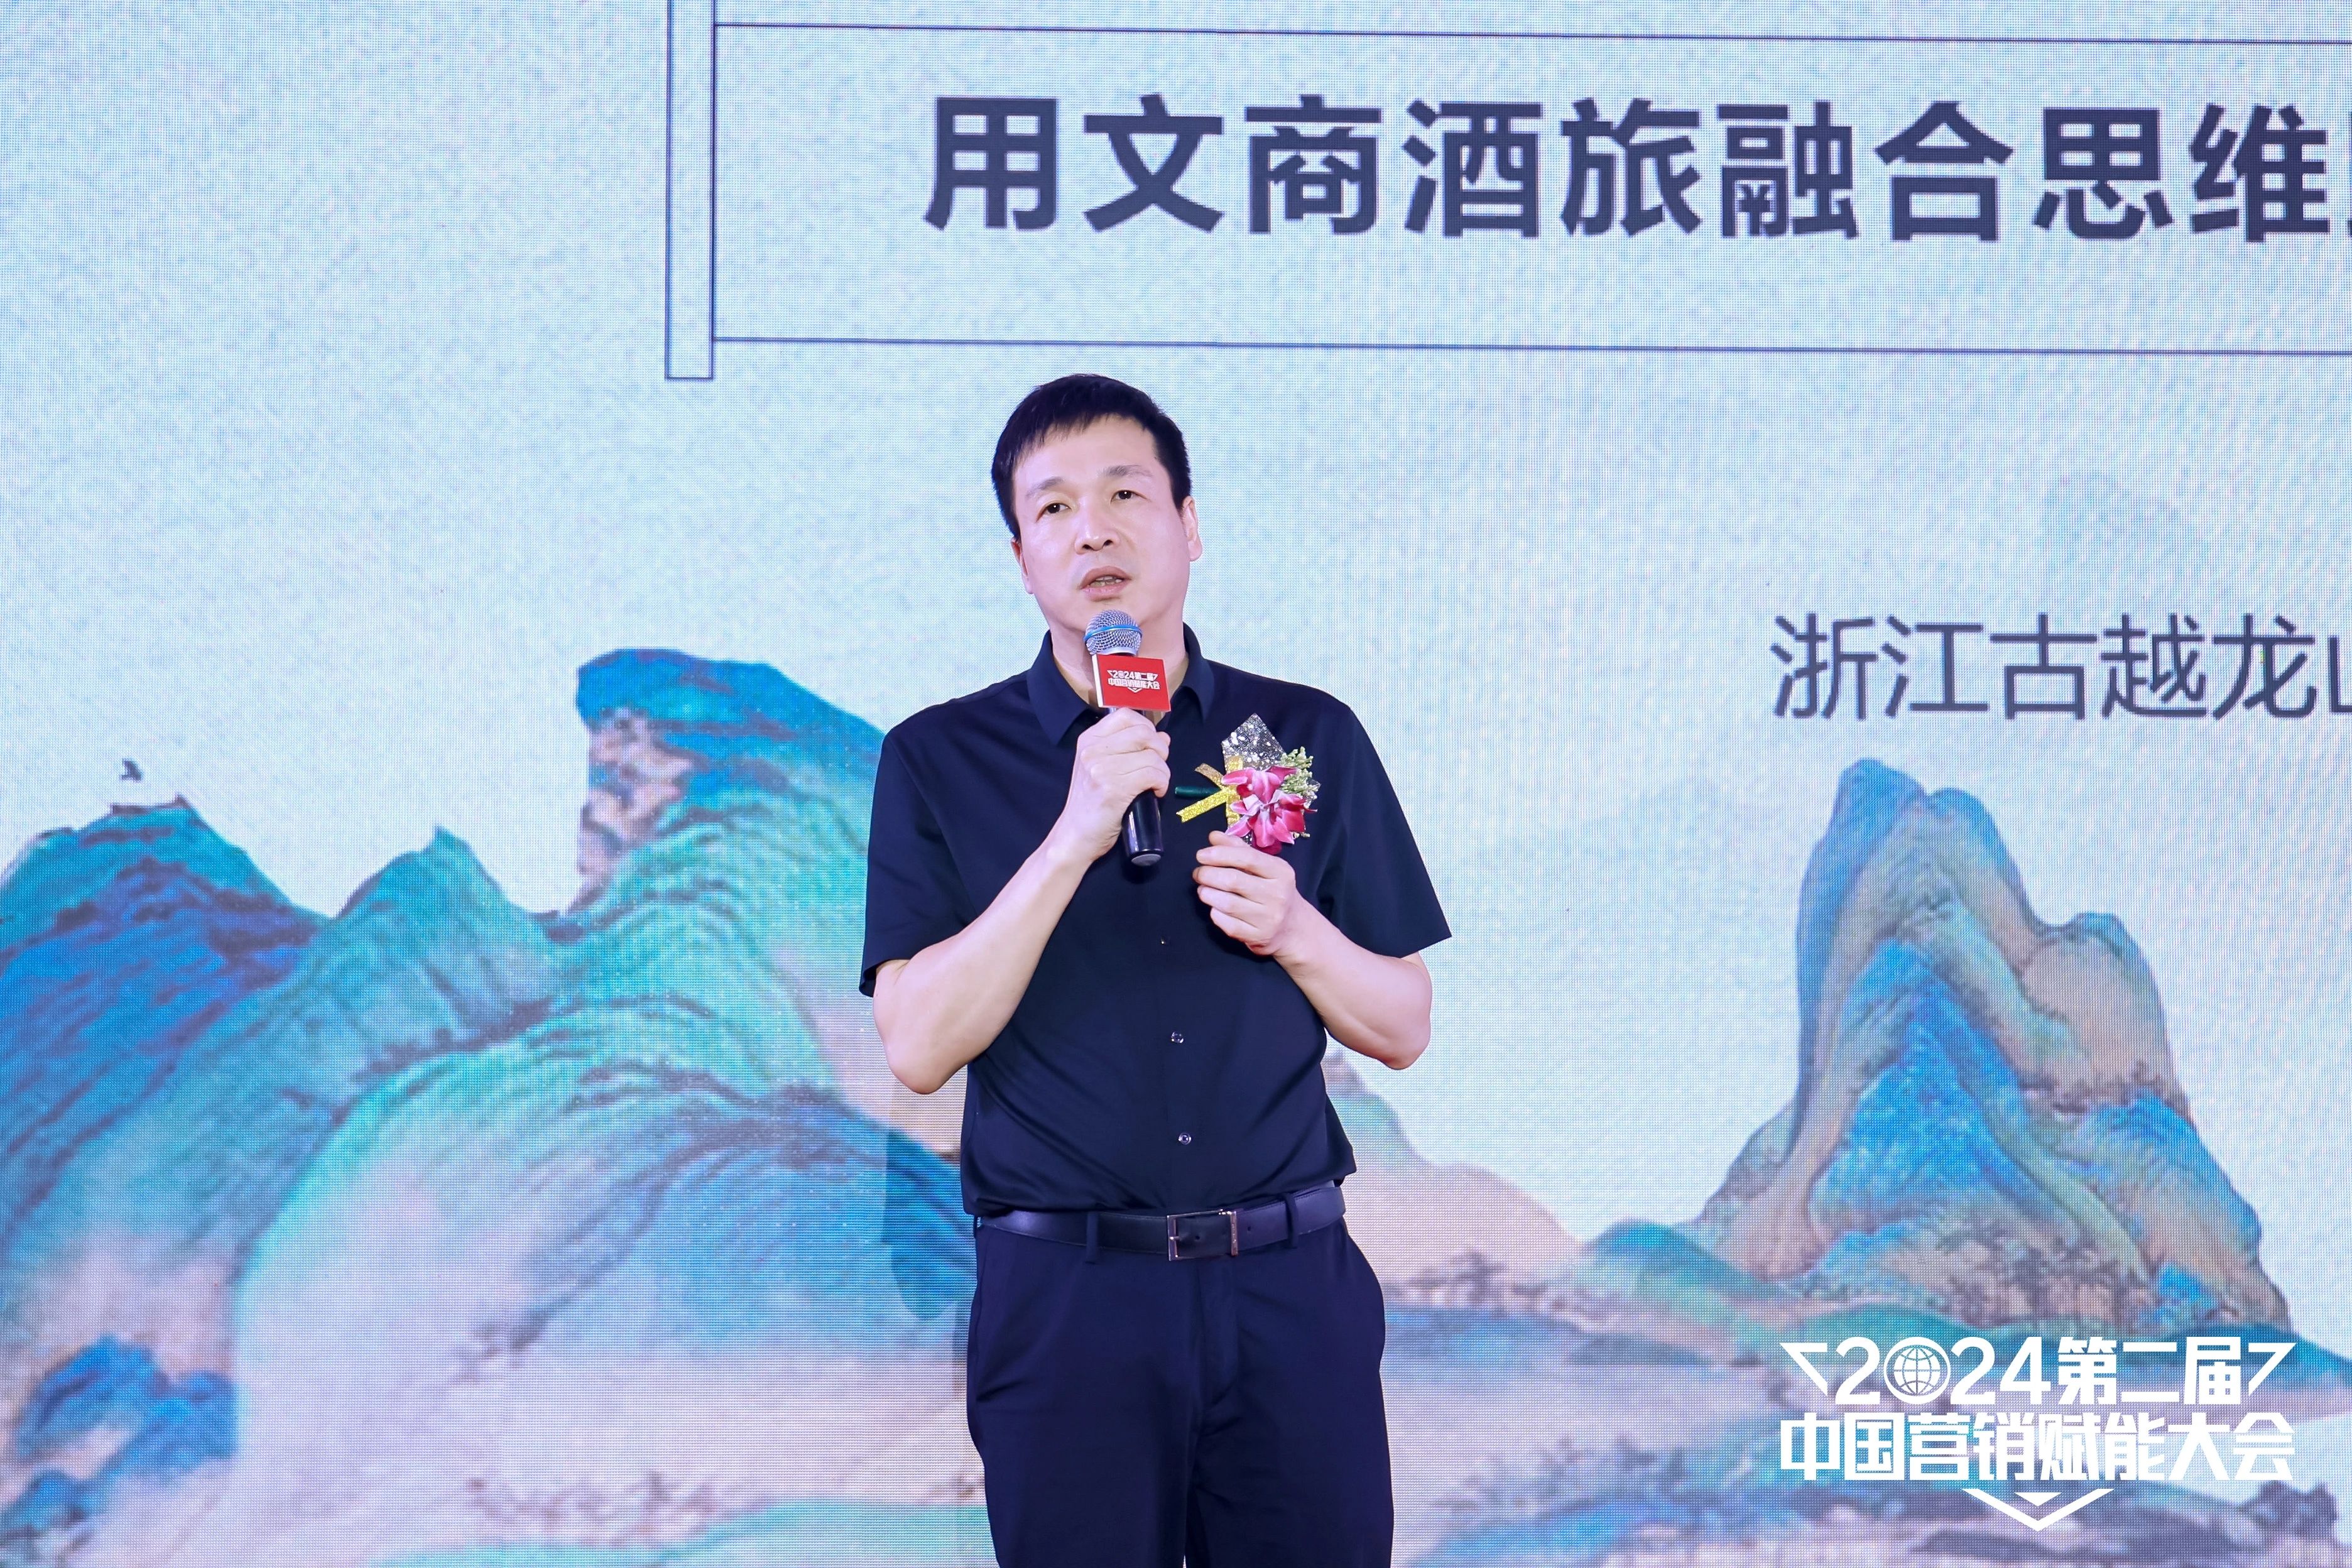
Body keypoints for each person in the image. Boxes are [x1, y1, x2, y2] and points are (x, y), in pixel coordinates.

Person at [859, 373, 1449, 1567]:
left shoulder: (1299, 738)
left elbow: (1403, 1023)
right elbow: (918, 1046)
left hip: (1291, 1291)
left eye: (1126, 495)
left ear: (1188, 524)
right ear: (1022, 559)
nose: (1094, 531)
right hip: (1070, 1300)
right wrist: (1072, 836)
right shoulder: (938, 758)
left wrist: (1300, 932)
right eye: (1054, 509)